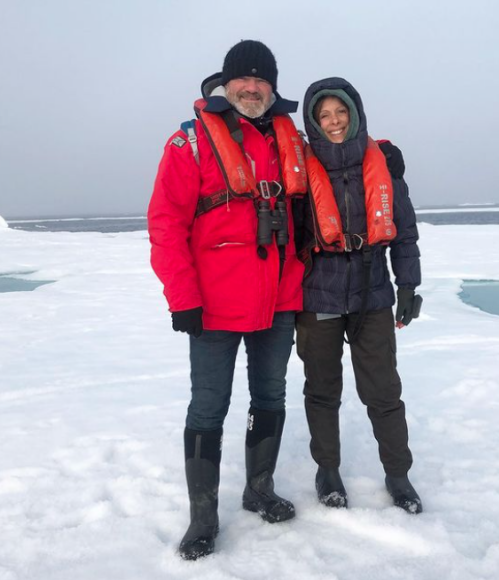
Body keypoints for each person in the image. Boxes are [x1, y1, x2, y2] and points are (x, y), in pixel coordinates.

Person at [147, 40, 310, 560]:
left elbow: (343, 150)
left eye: (263, 80)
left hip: (279, 300)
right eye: (244, 79)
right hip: (212, 306)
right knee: (209, 406)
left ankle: (258, 489)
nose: (253, 88)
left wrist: (385, 154)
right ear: (227, 82)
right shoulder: (188, 143)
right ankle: (202, 517)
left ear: (273, 86)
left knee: (270, 397)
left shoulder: (292, 139)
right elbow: (165, 224)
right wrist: (181, 296)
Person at [293, 77, 423, 514]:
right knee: (323, 390)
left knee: (384, 391)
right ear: (313, 120)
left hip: (373, 293)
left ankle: (398, 474)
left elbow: (404, 231)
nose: (333, 122)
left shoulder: (382, 160)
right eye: (323, 115)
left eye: (340, 112)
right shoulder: (297, 165)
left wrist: (408, 285)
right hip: (319, 296)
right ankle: (327, 470)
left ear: (354, 113)